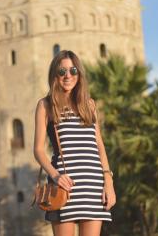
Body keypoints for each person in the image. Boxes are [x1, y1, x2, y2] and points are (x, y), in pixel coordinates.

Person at [34, 50, 116, 236]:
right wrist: (56, 176)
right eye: (62, 72)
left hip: (93, 185)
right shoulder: (45, 105)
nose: (67, 76)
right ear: (55, 75)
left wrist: (108, 182)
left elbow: (99, 146)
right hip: (64, 186)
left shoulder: (89, 104)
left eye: (72, 70)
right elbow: (38, 150)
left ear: (79, 73)